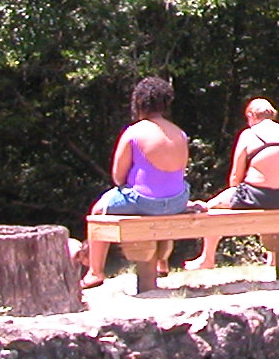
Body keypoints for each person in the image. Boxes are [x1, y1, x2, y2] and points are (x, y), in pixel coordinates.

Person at [80, 76, 196, 289]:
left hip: (143, 201)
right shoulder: (179, 133)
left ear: (139, 102)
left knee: (98, 211)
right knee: (163, 212)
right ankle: (162, 262)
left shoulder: (134, 132)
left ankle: (95, 272)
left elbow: (118, 176)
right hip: (177, 201)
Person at [189, 98, 279, 270]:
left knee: (212, 207)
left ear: (251, 115)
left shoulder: (249, 134)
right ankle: (273, 258)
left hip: (260, 195)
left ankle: (207, 258)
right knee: (273, 209)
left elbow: (235, 178)